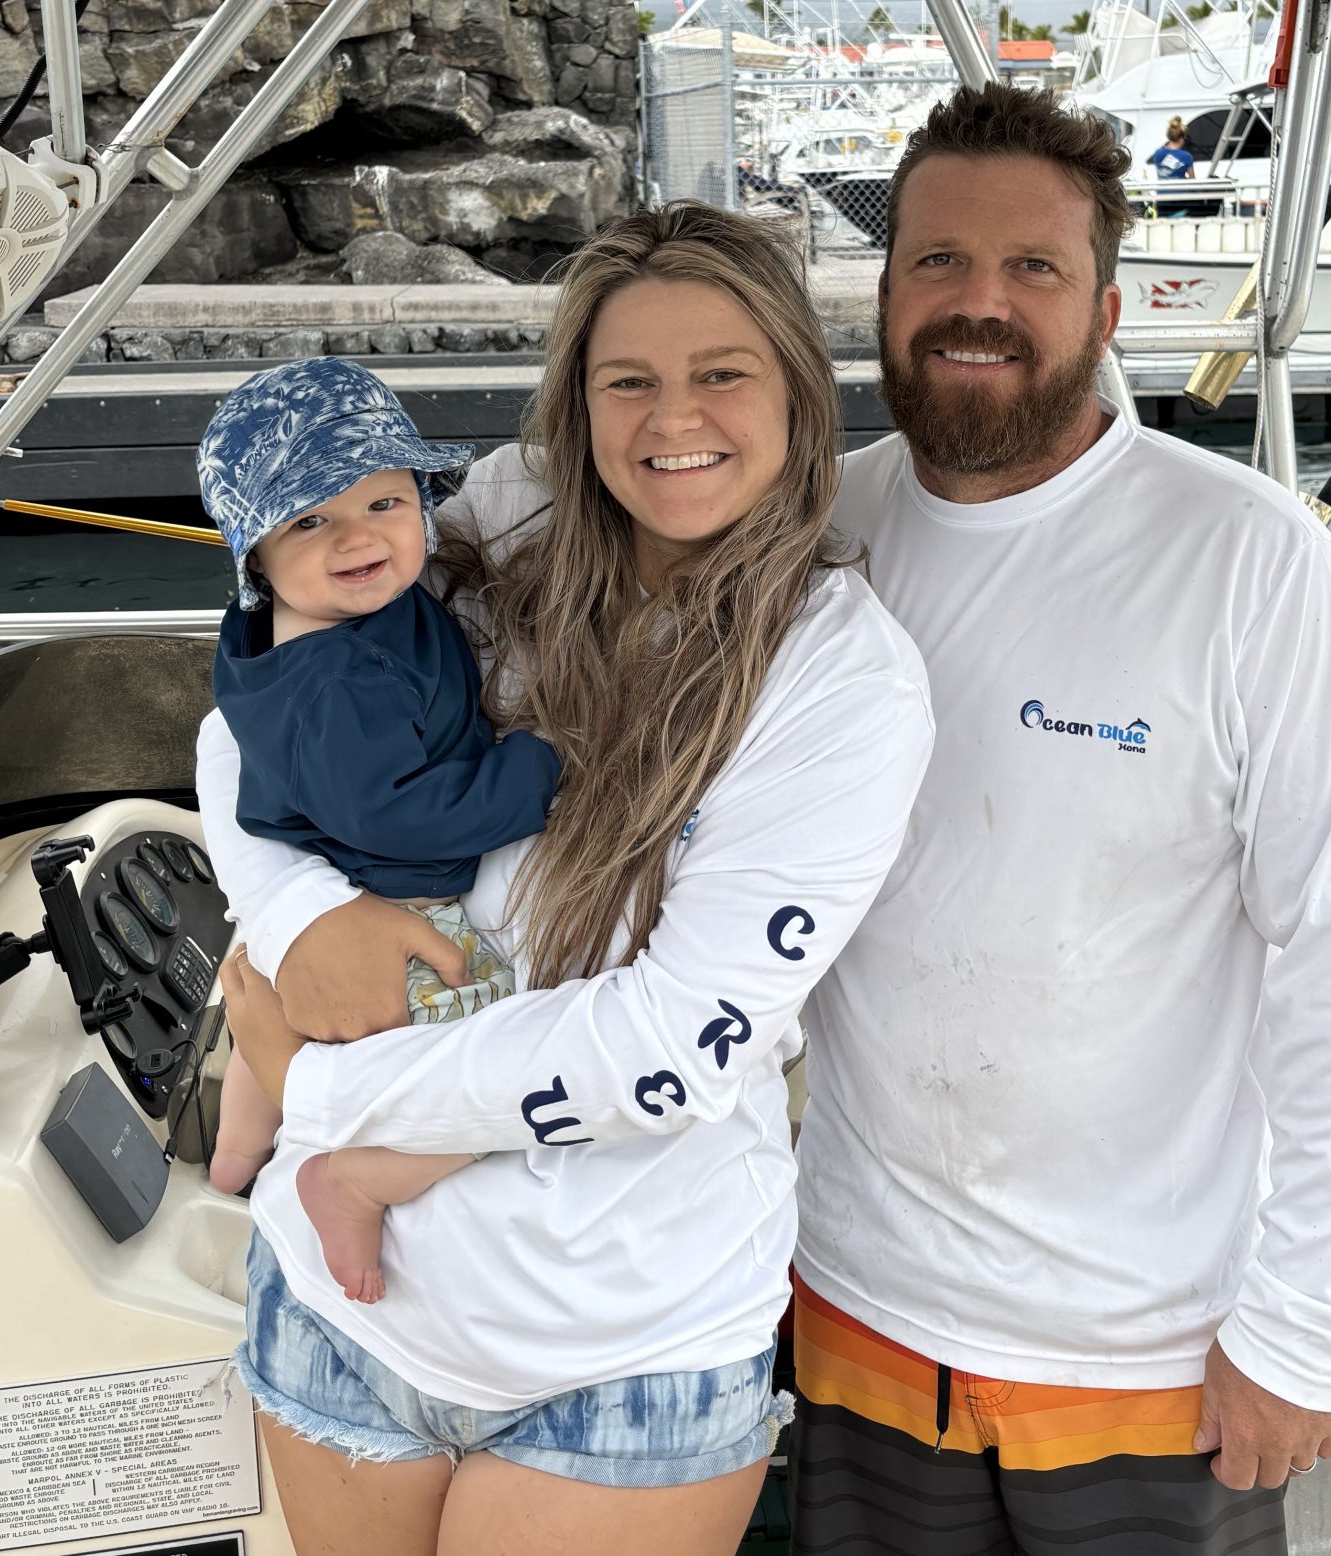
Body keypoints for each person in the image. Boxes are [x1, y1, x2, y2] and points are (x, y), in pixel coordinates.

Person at [197, 203, 934, 1555]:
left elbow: (673, 1049)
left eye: (722, 372)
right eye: (627, 381)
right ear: (577, 403)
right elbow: (255, 716)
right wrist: (297, 916)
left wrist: (315, 1087)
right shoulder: (501, 513)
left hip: (621, 1362)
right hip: (339, 1325)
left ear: (795, 391)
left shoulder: (843, 682)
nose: (674, 419)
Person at [785, 84, 1331, 1554]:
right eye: (937, 261)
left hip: (1149, 1362)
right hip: (855, 1318)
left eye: (1033, 270)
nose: (977, 304)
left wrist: (1309, 1327)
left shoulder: (1253, 565)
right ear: (882, 291)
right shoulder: (815, 531)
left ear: (1111, 305)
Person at [199, 356, 564, 1306]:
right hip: (401, 894)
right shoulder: (338, 682)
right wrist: (539, 766)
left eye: (386, 503)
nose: (358, 539)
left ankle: (236, 1154)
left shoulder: (333, 619)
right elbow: (407, 814)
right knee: (497, 1063)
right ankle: (355, 1179)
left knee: (262, 1011)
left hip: (327, 869)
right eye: (310, 521)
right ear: (258, 557)